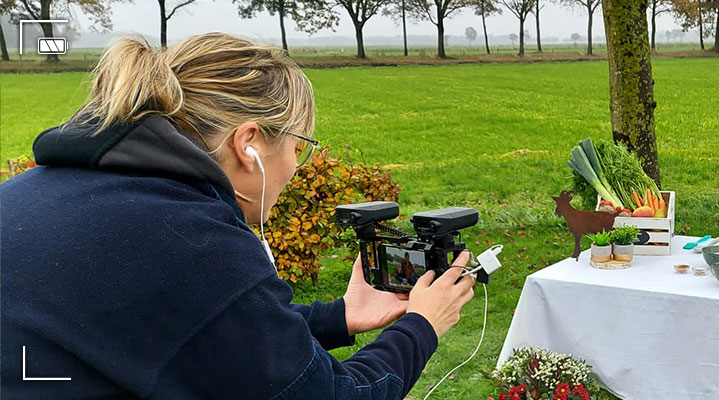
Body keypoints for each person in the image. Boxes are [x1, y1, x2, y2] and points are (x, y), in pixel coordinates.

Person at [0, 33, 474, 399]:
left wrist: (339, 318)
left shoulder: (29, 196)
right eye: (297, 147)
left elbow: (207, 333)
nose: (295, 166)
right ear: (249, 144)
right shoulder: (191, 239)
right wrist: (423, 326)